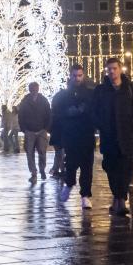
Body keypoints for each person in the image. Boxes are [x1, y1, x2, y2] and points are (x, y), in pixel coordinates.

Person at [93, 57, 133, 216]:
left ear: (120, 69)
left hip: (127, 137)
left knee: (126, 169)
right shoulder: (101, 90)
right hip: (109, 137)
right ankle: (118, 198)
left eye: (114, 68)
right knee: (111, 168)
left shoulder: (130, 88)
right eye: (109, 69)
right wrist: (101, 124)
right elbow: (94, 111)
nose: (112, 72)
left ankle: (120, 199)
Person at [51, 64, 96, 209]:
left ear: (83, 76)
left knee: (87, 167)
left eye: (79, 75)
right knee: (70, 164)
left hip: (86, 135)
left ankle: (85, 195)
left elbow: (94, 111)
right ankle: (69, 184)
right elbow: (57, 114)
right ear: (70, 76)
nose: (77, 78)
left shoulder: (90, 94)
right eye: (75, 75)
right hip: (71, 136)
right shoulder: (63, 95)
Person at [18, 81, 51, 182]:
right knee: (30, 153)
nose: (34, 90)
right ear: (30, 89)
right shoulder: (25, 101)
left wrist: (46, 128)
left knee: (42, 152)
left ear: (38, 89)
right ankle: (34, 172)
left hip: (41, 131)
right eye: (32, 88)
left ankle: (42, 170)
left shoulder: (44, 101)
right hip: (30, 131)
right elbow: (21, 116)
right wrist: (24, 129)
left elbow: (49, 115)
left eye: (35, 88)